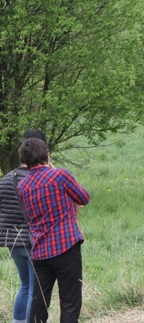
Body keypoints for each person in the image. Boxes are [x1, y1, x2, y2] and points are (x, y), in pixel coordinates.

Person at [17, 137, 90, 323]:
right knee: (70, 301)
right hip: (65, 246)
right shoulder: (60, 176)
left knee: (38, 302)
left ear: (24, 160)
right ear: (46, 154)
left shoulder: (22, 186)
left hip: (40, 251)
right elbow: (83, 198)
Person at [0, 130, 48, 323]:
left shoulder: (5, 179)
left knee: (25, 286)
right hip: (33, 240)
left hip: (12, 242)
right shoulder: (39, 180)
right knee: (35, 289)